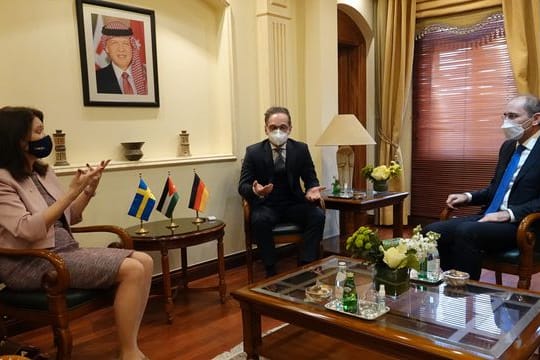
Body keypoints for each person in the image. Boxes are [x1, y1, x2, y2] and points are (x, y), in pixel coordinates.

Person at [0, 106, 152, 360]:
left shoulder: (44, 172)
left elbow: (71, 216)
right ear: (19, 140)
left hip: (64, 251)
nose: (45, 137)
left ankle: (130, 345)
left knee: (145, 261)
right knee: (132, 269)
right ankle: (129, 353)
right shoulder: (3, 180)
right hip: (31, 260)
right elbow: (28, 229)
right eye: (39, 131)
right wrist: (71, 191)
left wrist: (89, 190)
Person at [424, 94, 540, 280]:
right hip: (490, 217)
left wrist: (509, 214)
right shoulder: (508, 147)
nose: (506, 122)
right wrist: (468, 196)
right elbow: (496, 188)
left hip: (522, 226)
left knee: (466, 231)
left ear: (535, 119)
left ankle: (465, 290)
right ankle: (450, 281)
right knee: (432, 231)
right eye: (505, 116)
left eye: (513, 116)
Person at [238, 106, 326, 277]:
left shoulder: (301, 149)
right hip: (267, 205)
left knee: (317, 215)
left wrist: (311, 190)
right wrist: (256, 191)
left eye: (283, 127)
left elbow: (310, 178)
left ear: (290, 129)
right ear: (266, 129)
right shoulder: (253, 152)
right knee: (259, 220)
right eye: (273, 127)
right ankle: (271, 269)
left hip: (294, 203)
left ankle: (306, 265)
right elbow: (243, 186)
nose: (278, 131)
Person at [96, 20, 148, 95]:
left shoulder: (146, 75)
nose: (121, 49)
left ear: (132, 47)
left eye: (126, 43)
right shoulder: (96, 79)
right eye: (115, 43)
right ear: (106, 48)